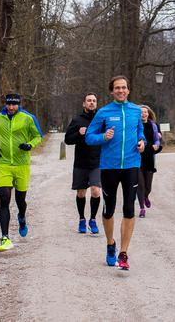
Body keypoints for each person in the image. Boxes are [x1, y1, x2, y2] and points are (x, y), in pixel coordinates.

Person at [85, 76, 145, 271]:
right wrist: (103, 136)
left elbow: (140, 133)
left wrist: (142, 142)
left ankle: (123, 252)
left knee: (129, 208)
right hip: (109, 167)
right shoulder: (103, 112)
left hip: (131, 165)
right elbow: (89, 137)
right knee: (108, 209)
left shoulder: (136, 110)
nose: (121, 91)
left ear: (128, 91)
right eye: (117, 88)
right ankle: (111, 243)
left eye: (124, 88)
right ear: (112, 91)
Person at [0, 93, 43, 252]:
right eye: (9, 104)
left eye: (14, 105)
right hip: (4, 163)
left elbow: (38, 136)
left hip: (22, 165)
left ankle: (21, 217)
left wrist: (30, 145)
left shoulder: (28, 118)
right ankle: (5, 237)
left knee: (21, 200)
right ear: (5, 104)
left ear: (19, 104)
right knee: (4, 197)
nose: (11, 107)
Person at [64, 92, 102, 234]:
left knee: (96, 191)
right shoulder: (77, 120)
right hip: (81, 162)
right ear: (84, 103)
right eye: (89, 100)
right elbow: (68, 140)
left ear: (96, 103)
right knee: (81, 193)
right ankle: (81, 219)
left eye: (94, 100)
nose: (91, 103)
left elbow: (107, 137)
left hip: (97, 161)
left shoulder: (101, 119)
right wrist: (79, 133)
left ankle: (92, 219)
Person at [137, 105, 162, 218]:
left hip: (150, 158)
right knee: (140, 185)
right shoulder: (135, 125)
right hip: (137, 158)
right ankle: (142, 208)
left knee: (148, 187)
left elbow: (157, 140)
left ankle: (146, 196)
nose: (144, 114)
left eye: (145, 112)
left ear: (148, 113)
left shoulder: (154, 125)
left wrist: (156, 146)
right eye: (141, 112)